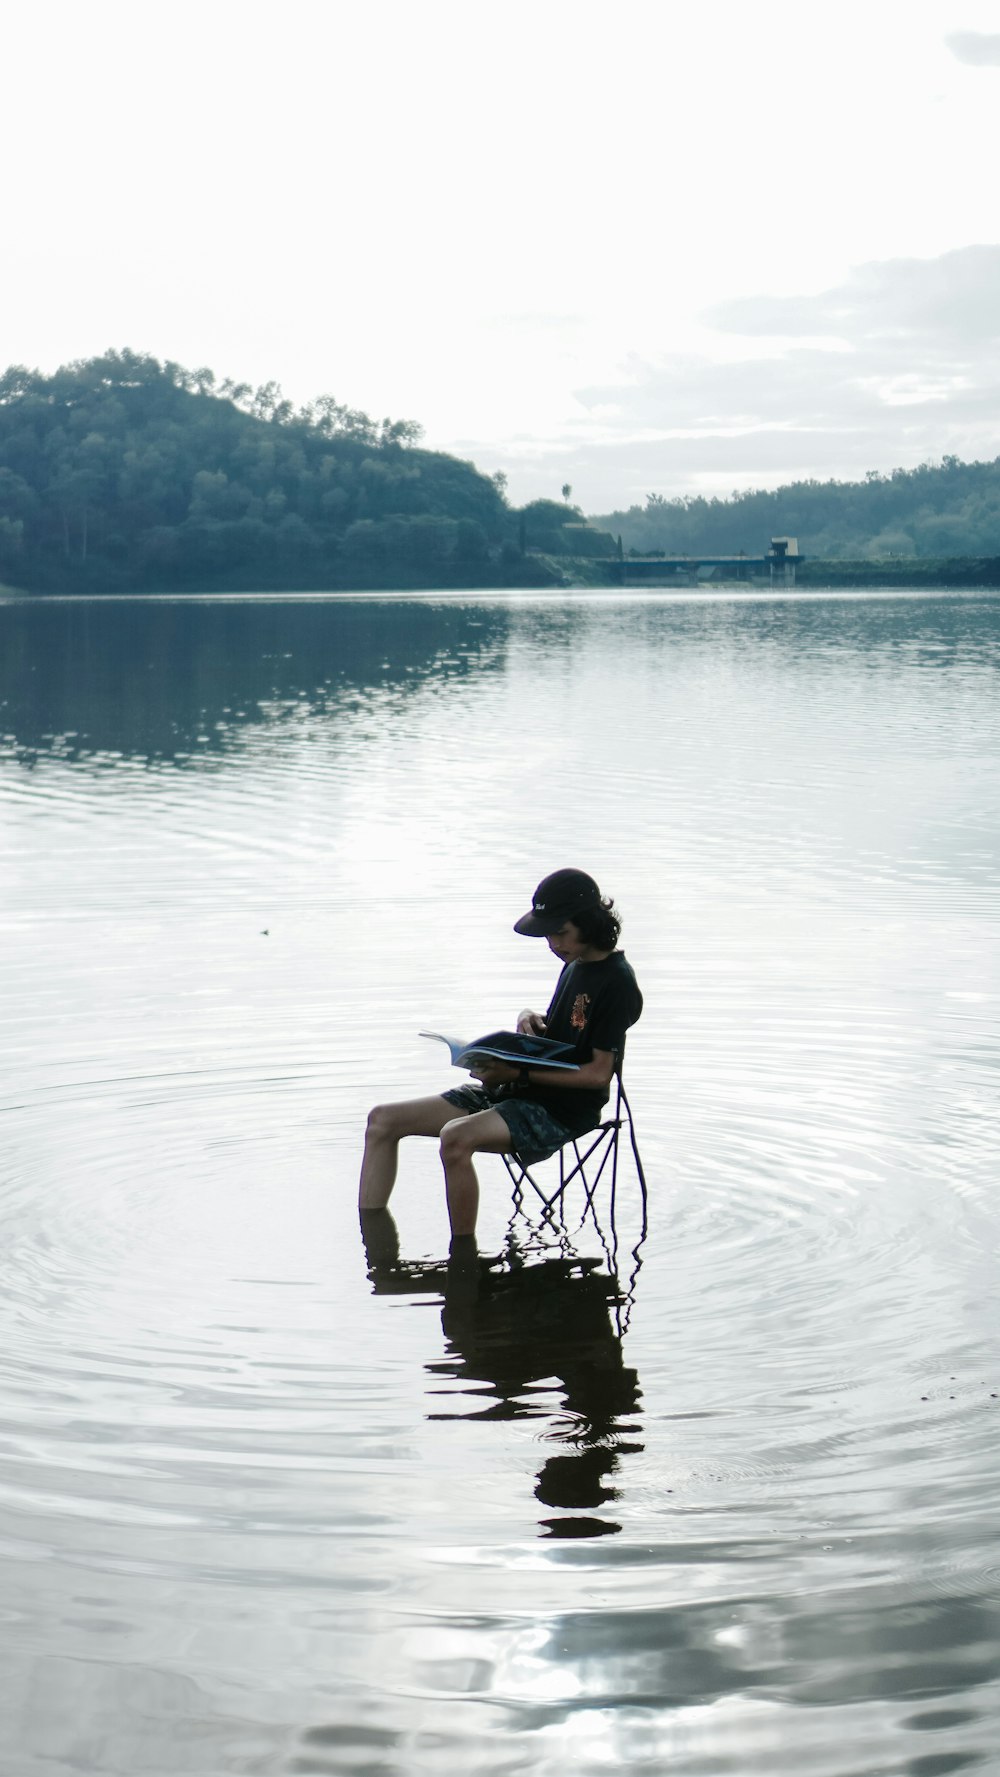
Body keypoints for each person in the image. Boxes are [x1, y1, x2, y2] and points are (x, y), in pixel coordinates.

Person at [358, 868, 643, 1240]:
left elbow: (597, 1074)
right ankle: (371, 1243)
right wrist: (530, 1018)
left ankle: (464, 1262)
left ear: (589, 923)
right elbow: (568, 1031)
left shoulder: (617, 981)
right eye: (548, 935)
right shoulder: (575, 965)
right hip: (517, 1091)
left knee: (455, 1138)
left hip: (563, 1110)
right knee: (382, 1120)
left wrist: (517, 1074)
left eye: (561, 932)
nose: (554, 944)